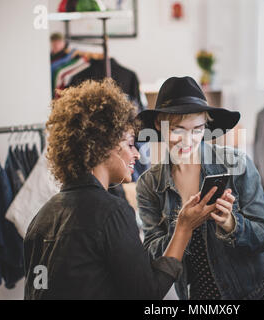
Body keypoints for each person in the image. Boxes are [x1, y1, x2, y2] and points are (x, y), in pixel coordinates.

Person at [23, 79, 218, 299]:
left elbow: (36, 289)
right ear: (103, 146)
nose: (136, 154)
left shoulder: (42, 216)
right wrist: (183, 228)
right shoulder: (111, 213)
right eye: (129, 144)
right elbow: (146, 293)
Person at [136, 76, 264, 300]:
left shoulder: (237, 166)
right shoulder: (149, 185)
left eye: (197, 129)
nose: (188, 140)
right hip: (201, 296)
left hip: (253, 292)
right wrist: (183, 227)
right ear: (159, 125)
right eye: (177, 129)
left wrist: (231, 223)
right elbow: (152, 255)